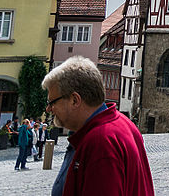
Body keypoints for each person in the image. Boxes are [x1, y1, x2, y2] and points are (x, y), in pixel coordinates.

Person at [42, 55, 154, 195]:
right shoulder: (122, 123)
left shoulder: (101, 142)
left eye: (52, 102)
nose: (49, 109)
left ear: (75, 100)